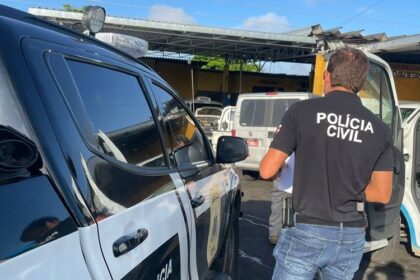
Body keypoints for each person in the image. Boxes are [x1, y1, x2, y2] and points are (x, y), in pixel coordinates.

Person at [260, 47, 393, 280]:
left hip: (307, 230)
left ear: (327, 76)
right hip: (351, 235)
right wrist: (348, 188)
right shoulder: (380, 129)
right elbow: (382, 194)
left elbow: (267, 170)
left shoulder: (302, 112)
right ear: (361, 85)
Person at [268, 154, 294, 244]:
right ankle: (275, 234)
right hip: (283, 175)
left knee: (278, 206)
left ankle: (275, 234)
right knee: (278, 206)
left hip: (287, 174)